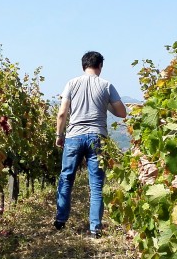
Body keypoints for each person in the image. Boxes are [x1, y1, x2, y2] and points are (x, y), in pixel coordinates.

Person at [53, 51, 127, 238]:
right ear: (100, 66)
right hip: (97, 137)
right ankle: (95, 228)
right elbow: (122, 112)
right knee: (96, 185)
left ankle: (60, 220)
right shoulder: (106, 85)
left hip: (74, 136)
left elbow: (62, 113)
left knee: (66, 178)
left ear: (83, 66)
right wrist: (105, 103)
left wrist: (59, 134)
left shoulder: (71, 83)